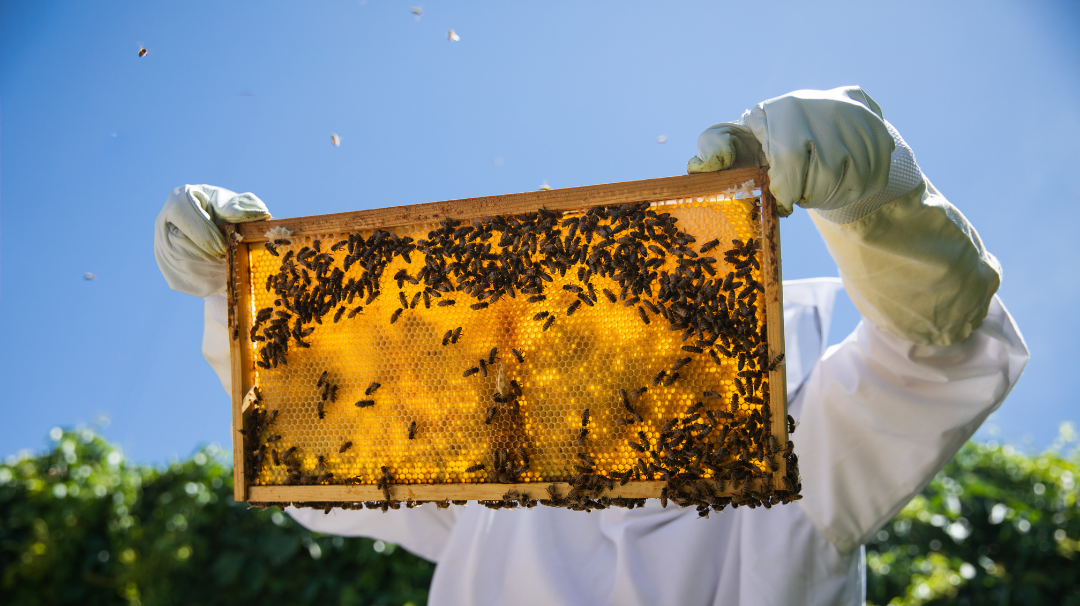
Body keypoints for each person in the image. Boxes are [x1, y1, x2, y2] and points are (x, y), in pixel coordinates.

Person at [155, 86, 1028, 605]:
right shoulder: (495, 485)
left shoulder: (798, 475)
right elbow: (323, 448)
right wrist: (240, 306)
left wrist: (878, 201)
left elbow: (937, 356)